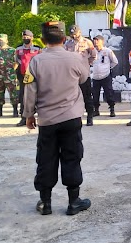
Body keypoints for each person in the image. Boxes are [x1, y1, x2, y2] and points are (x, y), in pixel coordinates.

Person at [23, 21, 92, 216]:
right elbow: (84, 79)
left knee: (46, 159)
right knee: (72, 156)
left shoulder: (36, 61)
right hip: (71, 118)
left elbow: (30, 90)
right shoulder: (75, 58)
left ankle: (46, 203)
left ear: (43, 40)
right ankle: (73, 202)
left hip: (47, 120)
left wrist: (29, 115)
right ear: (64, 39)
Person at [65, 25, 97, 126]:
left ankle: (90, 116)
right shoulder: (68, 43)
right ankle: (75, 117)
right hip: (72, 75)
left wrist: (86, 64)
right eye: (72, 34)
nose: (73, 36)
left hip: (84, 75)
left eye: (75, 34)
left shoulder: (87, 42)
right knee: (72, 98)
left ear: (79, 32)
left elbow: (93, 55)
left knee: (87, 97)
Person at [15, 30, 41, 127]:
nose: (25, 38)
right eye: (24, 37)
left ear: (32, 37)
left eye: (27, 37)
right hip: (22, 76)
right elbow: (16, 60)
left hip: (35, 76)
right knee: (23, 97)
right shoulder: (18, 49)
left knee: (37, 96)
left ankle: (39, 117)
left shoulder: (37, 49)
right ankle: (23, 118)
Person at [0, 34, 19, 118]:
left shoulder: (12, 51)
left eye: (2, 40)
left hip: (9, 76)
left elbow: (16, 62)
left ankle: (15, 111)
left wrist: (11, 71)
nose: (0, 41)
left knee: (13, 93)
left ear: (6, 41)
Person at [91, 34, 118, 118]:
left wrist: (108, 68)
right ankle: (96, 110)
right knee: (95, 94)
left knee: (109, 93)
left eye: (97, 40)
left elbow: (115, 61)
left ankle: (112, 109)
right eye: (94, 40)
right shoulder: (92, 51)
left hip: (105, 75)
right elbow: (89, 61)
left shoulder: (108, 51)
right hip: (95, 76)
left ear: (102, 41)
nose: (95, 42)